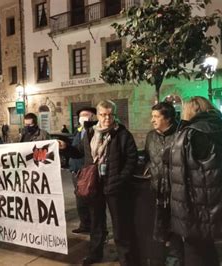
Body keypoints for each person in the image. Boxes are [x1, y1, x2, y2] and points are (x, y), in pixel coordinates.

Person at [169, 96, 222, 266]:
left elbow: (179, 174)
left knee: (194, 251)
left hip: (195, 206)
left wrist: (181, 212)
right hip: (217, 203)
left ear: (190, 111)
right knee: (208, 249)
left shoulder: (191, 134)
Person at [61, 100, 138, 265]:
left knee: (120, 225)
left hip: (114, 186)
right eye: (103, 114)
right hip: (94, 184)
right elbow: (78, 153)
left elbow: (132, 159)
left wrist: (120, 178)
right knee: (96, 223)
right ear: (98, 115)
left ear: (115, 115)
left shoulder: (123, 134)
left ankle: (126, 258)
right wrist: (65, 147)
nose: (107, 118)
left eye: (110, 114)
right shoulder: (90, 133)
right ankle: (95, 254)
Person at [134, 102, 179, 265]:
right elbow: (147, 157)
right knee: (158, 227)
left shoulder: (180, 135)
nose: (152, 120)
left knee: (175, 229)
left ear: (167, 118)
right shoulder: (151, 136)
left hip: (175, 191)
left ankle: (175, 259)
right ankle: (158, 258)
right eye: (152, 116)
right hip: (155, 189)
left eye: (156, 116)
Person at [69, 107, 97, 234]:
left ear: (93, 116)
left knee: (90, 200)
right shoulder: (79, 131)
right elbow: (75, 149)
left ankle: (95, 226)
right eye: (80, 115)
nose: (82, 117)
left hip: (87, 171)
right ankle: (84, 224)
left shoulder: (94, 131)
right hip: (75, 170)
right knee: (80, 200)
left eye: (85, 115)